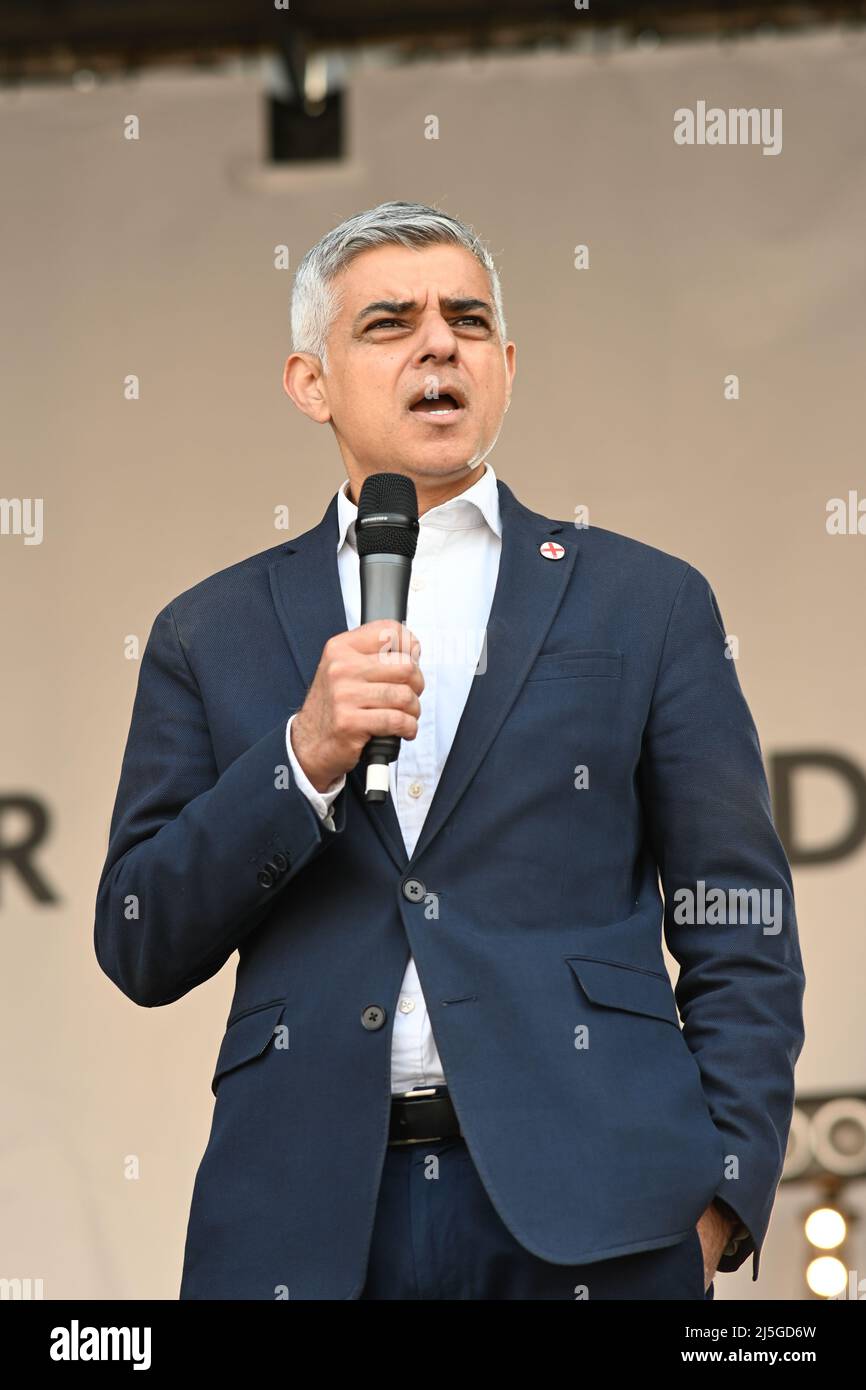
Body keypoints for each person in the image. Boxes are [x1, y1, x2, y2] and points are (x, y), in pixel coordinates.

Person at [94, 201, 805, 1300]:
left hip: (599, 1216)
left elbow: (738, 918)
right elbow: (140, 937)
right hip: (305, 1220)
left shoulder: (643, 601)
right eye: (389, 323)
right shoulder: (210, 629)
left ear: (506, 367)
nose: (439, 344)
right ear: (309, 382)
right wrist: (302, 757)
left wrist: (717, 1197)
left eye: (466, 320)